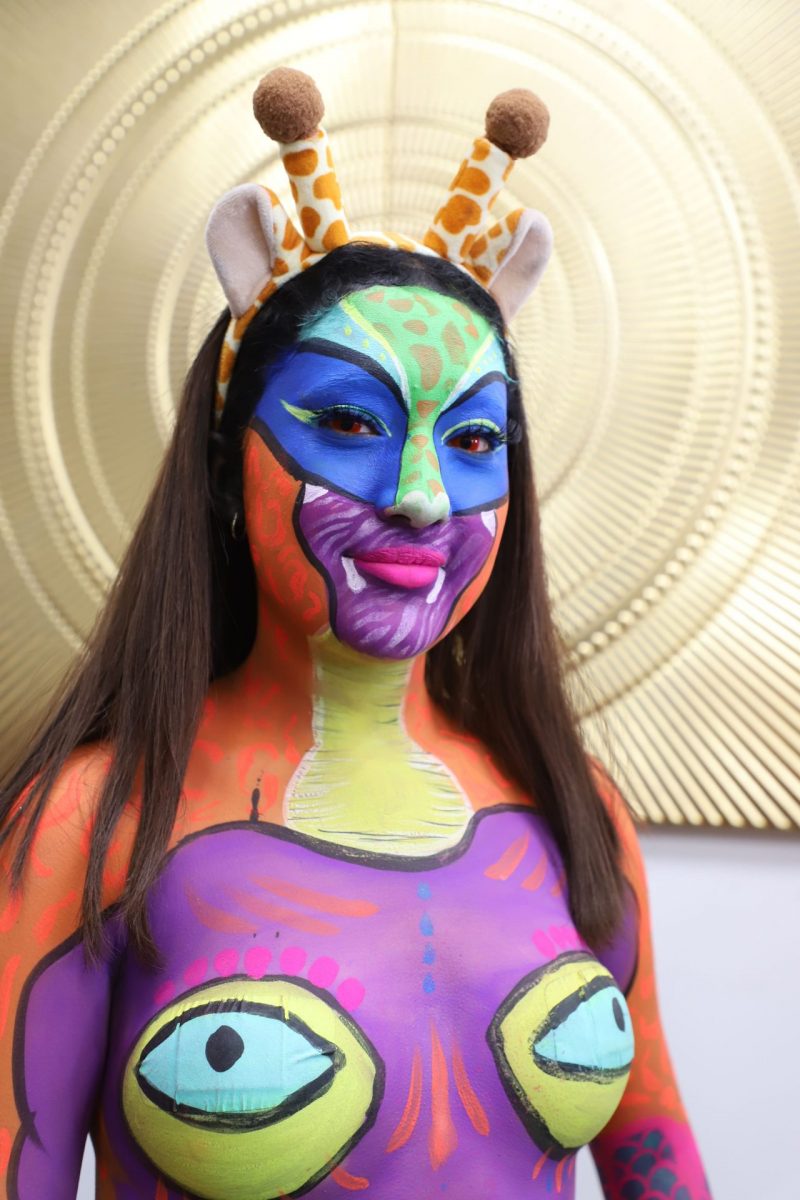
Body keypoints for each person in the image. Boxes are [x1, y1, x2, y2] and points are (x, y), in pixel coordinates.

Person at [0, 68, 710, 1200]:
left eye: (473, 441)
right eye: (347, 422)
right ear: (226, 468)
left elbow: (657, 1159)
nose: (422, 496)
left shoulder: (573, 806)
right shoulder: (91, 823)